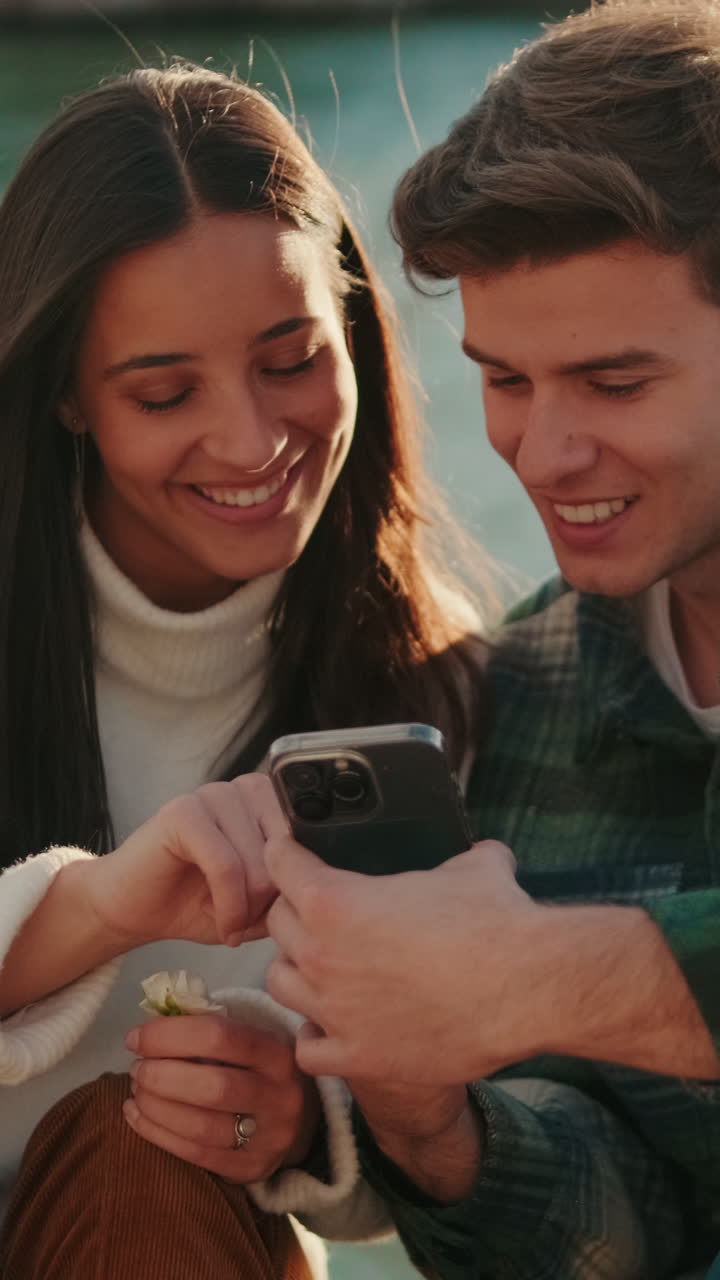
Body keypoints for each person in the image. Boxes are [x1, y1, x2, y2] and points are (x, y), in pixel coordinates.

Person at [0, 61, 489, 1278]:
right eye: (166, 390)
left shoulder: (440, 688)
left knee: (144, 1162)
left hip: (183, 1241)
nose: (253, 438)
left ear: (354, 329)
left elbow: (467, 1130)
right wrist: (99, 906)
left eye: (290, 358)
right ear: (64, 393)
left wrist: (301, 1120)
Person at [262, 2, 720, 1276]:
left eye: (617, 382)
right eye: (507, 379)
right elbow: (634, 1221)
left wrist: (552, 975)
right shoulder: (526, 690)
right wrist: (425, 1104)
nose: (545, 452)